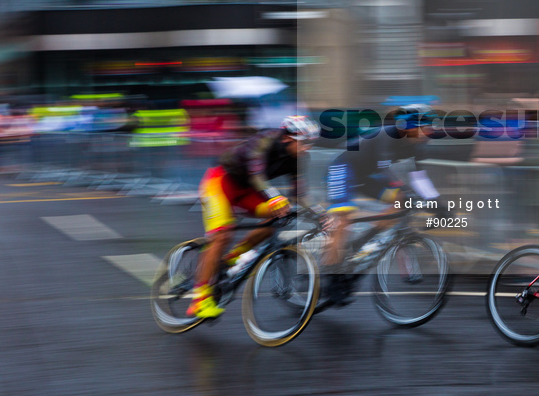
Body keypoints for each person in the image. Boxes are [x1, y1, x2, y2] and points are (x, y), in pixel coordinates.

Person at [186, 115, 320, 319]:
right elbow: (256, 173)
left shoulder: (298, 158)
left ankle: (231, 259)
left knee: (277, 218)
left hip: (248, 191)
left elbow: (300, 195)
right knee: (222, 236)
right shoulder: (264, 140)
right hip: (220, 183)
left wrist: (319, 214)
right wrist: (275, 197)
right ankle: (199, 299)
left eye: (311, 144)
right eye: (304, 143)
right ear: (287, 138)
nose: (307, 148)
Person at [323, 104, 442, 304]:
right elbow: (384, 170)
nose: (430, 131)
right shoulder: (387, 135)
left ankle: (362, 240)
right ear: (408, 127)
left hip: (366, 174)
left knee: (402, 202)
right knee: (343, 219)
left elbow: (420, 178)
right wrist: (407, 190)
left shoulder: (420, 144)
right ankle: (331, 277)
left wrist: (439, 204)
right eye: (425, 126)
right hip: (343, 167)